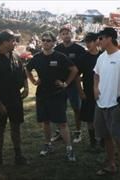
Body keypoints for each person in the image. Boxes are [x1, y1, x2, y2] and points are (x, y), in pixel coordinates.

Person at [26, 31, 78, 161]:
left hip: (57, 94)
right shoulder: (37, 57)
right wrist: (33, 81)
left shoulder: (60, 56)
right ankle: (48, 145)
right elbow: (27, 68)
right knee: (46, 122)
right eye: (43, 40)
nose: (45, 42)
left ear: (54, 42)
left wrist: (65, 83)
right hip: (42, 94)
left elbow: (74, 70)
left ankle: (69, 149)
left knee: (62, 123)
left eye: (48, 40)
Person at [93, 27, 120, 180]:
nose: (98, 41)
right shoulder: (101, 57)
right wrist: (95, 88)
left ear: (109, 39)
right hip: (101, 104)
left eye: (101, 38)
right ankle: (111, 165)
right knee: (106, 137)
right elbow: (96, 74)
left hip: (115, 106)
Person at [0, 29, 29, 166]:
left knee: (16, 126)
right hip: (1, 99)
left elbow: (23, 72)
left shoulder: (15, 55)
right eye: (13, 41)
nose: (15, 43)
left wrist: (26, 87)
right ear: (4, 42)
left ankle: (18, 155)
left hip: (16, 97)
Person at [53, 26, 86, 143]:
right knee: (60, 109)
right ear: (60, 36)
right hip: (60, 85)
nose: (65, 35)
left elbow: (82, 68)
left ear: (71, 35)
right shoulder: (56, 49)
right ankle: (60, 132)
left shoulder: (79, 49)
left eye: (68, 33)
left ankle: (78, 132)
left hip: (73, 84)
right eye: (63, 34)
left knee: (76, 108)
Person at [75, 32, 102, 149]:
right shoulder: (83, 58)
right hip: (88, 92)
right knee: (89, 118)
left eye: (89, 41)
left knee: (102, 118)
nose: (87, 44)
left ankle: (103, 140)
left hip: (102, 92)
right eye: (86, 42)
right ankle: (92, 141)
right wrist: (80, 91)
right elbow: (76, 75)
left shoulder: (103, 56)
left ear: (96, 41)